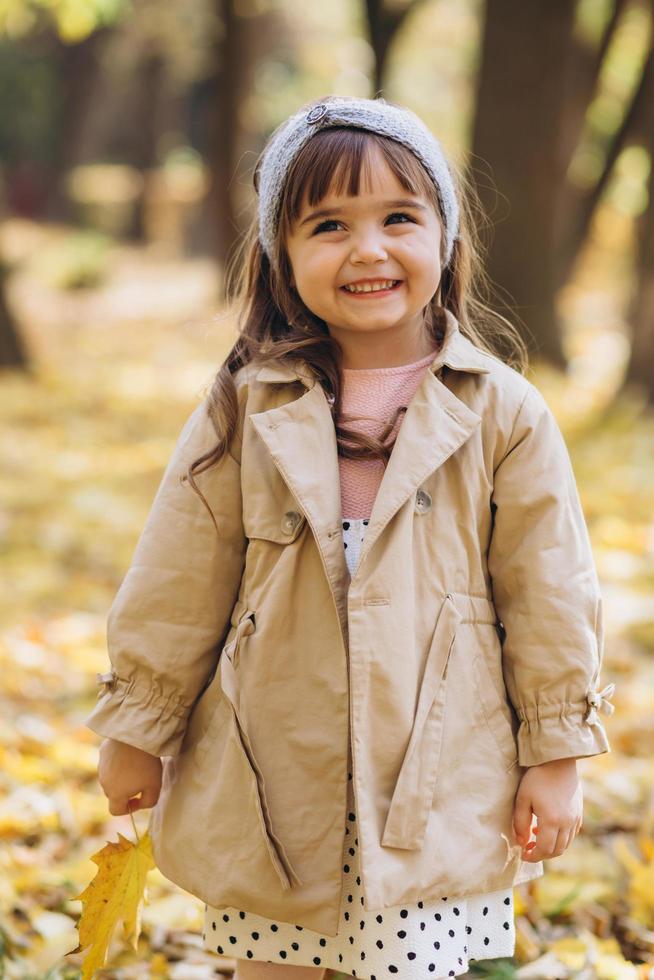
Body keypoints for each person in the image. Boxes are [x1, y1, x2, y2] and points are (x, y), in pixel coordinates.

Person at [86, 95, 617, 980]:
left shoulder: (502, 414)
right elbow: (178, 578)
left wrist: (555, 754)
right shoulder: (247, 406)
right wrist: (138, 726)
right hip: (275, 775)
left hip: (437, 774)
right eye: (328, 225)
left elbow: (551, 592)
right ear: (282, 257)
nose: (368, 250)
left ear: (445, 236)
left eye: (398, 218)